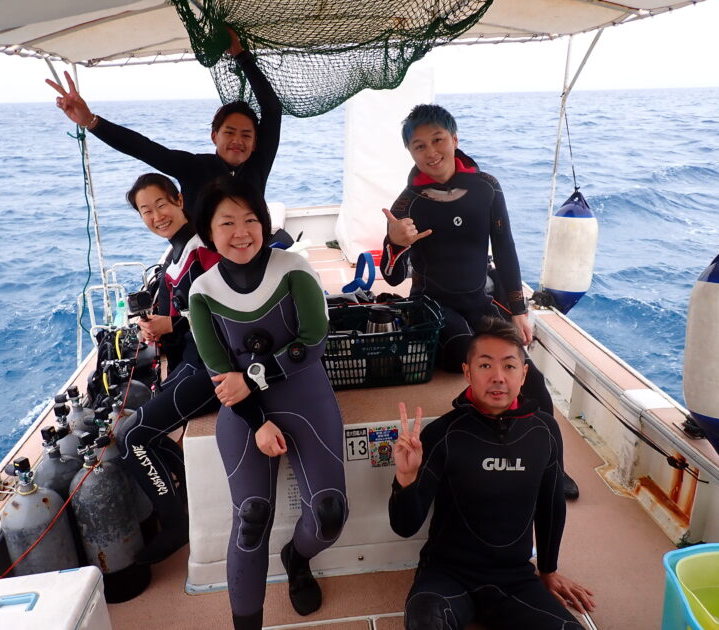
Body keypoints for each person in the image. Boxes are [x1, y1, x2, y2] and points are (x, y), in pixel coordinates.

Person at [379, 103, 579, 500]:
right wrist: (394, 243)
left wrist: (519, 311)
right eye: (419, 146)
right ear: (411, 153)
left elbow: (504, 250)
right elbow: (391, 276)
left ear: (454, 139)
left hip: (478, 300)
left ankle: (554, 469)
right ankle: (491, 445)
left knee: (530, 378)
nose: (431, 151)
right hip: (432, 305)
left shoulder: (486, 187)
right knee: (467, 359)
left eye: (438, 140)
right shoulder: (407, 203)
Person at [188, 176, 347, 630]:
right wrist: (256, 419)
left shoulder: (293, 267)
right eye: (227, 223)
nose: (242, 232)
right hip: (243, 414)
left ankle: (297, 558)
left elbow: (312, 342)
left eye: (251, 219)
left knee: (330, 513)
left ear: (264, 223)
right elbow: (223, 377)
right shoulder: (201, 292)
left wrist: (254, 376)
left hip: (306, 396)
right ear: (209, 231)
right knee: (252, 516)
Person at [390, 318, 595, 630]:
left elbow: (551, 504)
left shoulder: (544, 431)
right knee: (424, 622)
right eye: (485, 366)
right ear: (467, 372)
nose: (498, 377)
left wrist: (548, 571)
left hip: (514, 579)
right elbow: (404, 526)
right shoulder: (444, 433)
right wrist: (405, 478)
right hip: (446, 574)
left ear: (524, 374)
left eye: (510, 366)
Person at [46, 28, 281, 222]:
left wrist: (241, 56)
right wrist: (90, 121)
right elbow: (142, 148)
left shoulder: (258, 165)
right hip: (203, 263)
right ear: (214, 137)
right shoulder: (193, 166)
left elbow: (272, 111)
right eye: (229, 132)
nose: (238, 140)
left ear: (255, 143)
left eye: (246, 135)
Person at [113, 173, 220, 565]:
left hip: (212, 367)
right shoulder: (175, 252)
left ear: (178, 200)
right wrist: (158, 327)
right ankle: (185, 499)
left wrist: (172, 324)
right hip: (191, 359)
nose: (156, 215)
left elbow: (226, 309)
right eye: (145, 210)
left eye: (161, 204)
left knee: (132, 437)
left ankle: (174, 527)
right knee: (146, 426)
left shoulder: (204, 248)